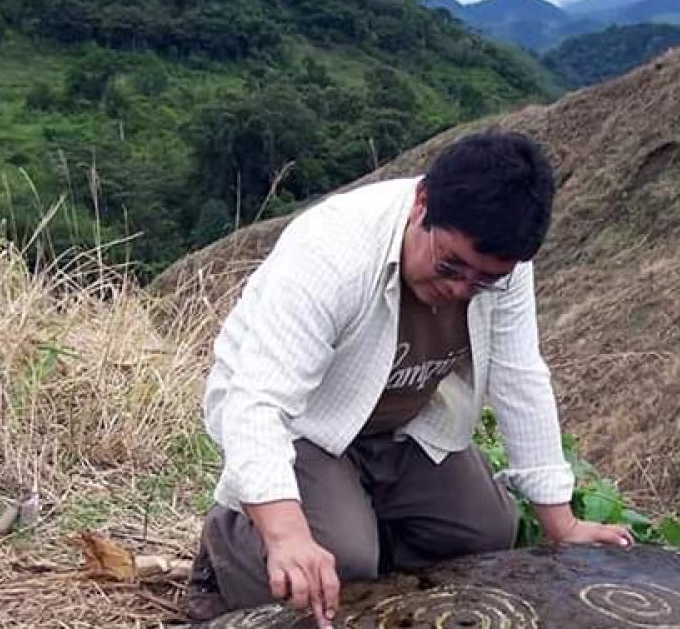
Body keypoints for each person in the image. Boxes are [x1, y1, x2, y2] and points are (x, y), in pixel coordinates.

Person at [187, 131, 632, 628]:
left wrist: (561, 523)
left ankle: (367, 545)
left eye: (482, 281)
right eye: (450, 266)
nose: (460, 289)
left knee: (485, 530)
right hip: (307, 427)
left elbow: (519, 376)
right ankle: (229, 546)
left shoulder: (499, 267)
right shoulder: (334, 253)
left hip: (400, 424)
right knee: (344, 558)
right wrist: (287, 536)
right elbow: (256, 402)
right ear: (422, 202)